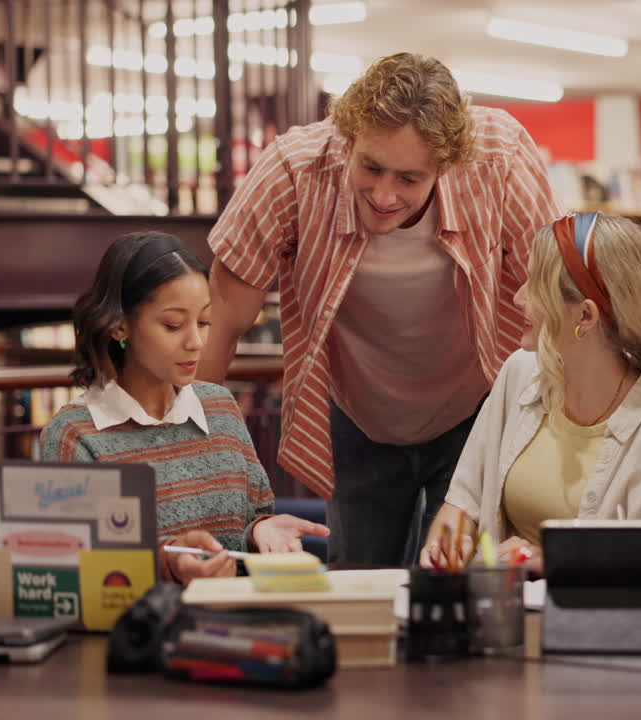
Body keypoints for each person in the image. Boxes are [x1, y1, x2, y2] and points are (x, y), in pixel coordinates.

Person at [199, 52, 561, 566]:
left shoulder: (499, 157)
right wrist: (189, 456)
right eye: (370, 167)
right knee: (358, 586)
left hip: (474, 411)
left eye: (409, 179)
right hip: (358, 416)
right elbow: (220, 323)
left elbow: (559, 302)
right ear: (349, 137)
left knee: (456, 592)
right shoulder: (293, 169)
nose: (385, 195)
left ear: (445, 165)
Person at [420, 213, 641, 574]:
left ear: (585, 316)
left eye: (533, 286)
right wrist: (450, 541)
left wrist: (552, 565)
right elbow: (464, 500)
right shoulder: (519, 374)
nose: (517, 298)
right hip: (504, 619)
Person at [40, 232, 329, 585]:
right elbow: (76, 567)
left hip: (238, 622)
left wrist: (261, 531)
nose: (195, 342)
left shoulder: (220, 407)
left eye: (204, 323)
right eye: (173, 325)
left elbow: (251, 518)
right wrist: (169, 565)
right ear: (120, 326)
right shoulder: (75, 435)